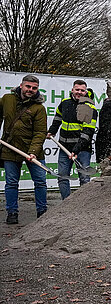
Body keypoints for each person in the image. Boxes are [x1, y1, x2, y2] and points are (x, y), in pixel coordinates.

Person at [1, 75, 48, 224]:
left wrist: (33, 152)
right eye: (28, 86)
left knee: (40, 181)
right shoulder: (7, 99)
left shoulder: (39, 108)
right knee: (11, 183)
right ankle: (12, 213)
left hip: (33, 151)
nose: (31, 90)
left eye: (34, 88)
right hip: (10, 149)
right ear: (21, 85)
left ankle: (42, 212)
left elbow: (40, 133)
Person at [47, 79, 97, 199]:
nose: (79, 92)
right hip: (64, 148)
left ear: (86, 92)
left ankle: (84, 205)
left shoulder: (90, 108)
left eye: (82, 90)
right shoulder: (65, 102)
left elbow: (87, 132)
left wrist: (76, 149)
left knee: (84, 178)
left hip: (82, 149)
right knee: (62, 177)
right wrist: (52, 131)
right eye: (77, 89)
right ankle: (66, 204)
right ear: (72, 90)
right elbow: (58, 118)